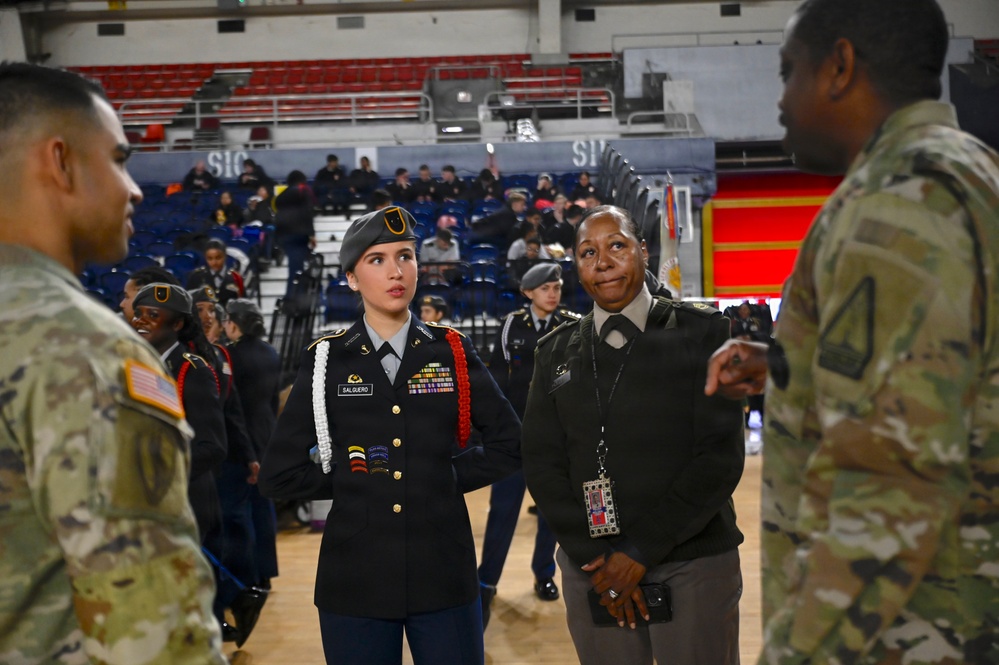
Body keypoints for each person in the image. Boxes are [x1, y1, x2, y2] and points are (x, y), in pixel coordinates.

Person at [704, 1, 999, 663]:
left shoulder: (896, 204)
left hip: (913, 632)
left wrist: (798, 653)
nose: (779, 99)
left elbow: (887, 483)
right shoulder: (969, 171)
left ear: (838, 66)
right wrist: (794, 368)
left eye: (788, 73)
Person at [0, 62, 225, 662]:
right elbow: (152, 634)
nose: (135, 189)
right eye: (120, 159)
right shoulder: (83, 348)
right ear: (61, 161)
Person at [259, 206, 522, 665]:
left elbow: (510, 444)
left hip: (443, 572)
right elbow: (279, 475)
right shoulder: (326, 361)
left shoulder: (452, 351)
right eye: (376, 260)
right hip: (355, 580)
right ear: (352, 278)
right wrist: (355, 479)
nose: (396, 271)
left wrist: (447, 475)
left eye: (405, 256)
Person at [522, 206, 745, 665]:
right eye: (588, 253)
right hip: (594, 571)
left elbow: (719, 457)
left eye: (616, 246)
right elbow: (542, 463)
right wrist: (599, 561)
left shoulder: (704, 333)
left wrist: (639, 553)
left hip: (692, 562)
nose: (602, 262)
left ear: (643, 251)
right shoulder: (554, 352)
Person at [480, 263, 580, 627]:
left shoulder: (572, 324)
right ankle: (486, 581)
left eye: (555, 286)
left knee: (552, 515)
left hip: (556, 441)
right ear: (528, 292)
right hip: (517, 439)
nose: (552, 293)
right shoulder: (512, 325)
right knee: (502, 512)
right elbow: (496, 380)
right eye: (544, 288)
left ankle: (544, 574)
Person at [224, 299, 281, 593]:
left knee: (241, 511)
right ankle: (267, 572)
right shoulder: (271, 352)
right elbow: (272, 402)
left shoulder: (230, 356)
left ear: (234, 323)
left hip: (242, 443)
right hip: (268, 437)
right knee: (263, 510)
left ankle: (249, 577)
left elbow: (233, 409)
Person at [274, 169, 317, 296]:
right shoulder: (302, 191)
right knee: (297, 270)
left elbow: (278, 217)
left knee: (294, 268)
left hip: (285, 236)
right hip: (299, 236)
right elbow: (307, 213)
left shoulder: (281, 197)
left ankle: (294, 296)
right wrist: (311, 234)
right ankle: (294, 298)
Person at [186, 238, 245, 306]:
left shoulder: (235, 277)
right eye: (210, 258)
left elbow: (243, 305)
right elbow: (188, 303)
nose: (214, 262)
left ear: (225, 256)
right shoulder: (196, 277)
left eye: (218, 258)